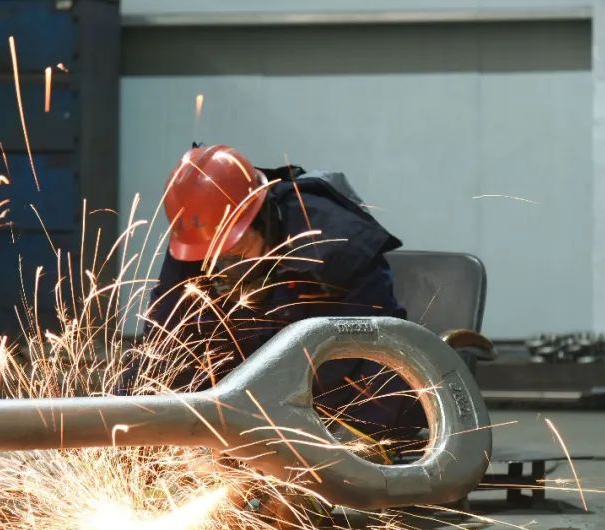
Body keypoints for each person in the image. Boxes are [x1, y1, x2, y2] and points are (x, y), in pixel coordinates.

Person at [135, 143, 426, 448]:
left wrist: (279, 436)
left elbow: (365, 349)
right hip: (249, 389)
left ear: (261, 218)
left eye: (235, 251)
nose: (225, 267)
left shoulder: (332, 242)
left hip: (339, 390)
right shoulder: (196, 241)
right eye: (213, 257)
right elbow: (164, 340)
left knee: (386, 385)